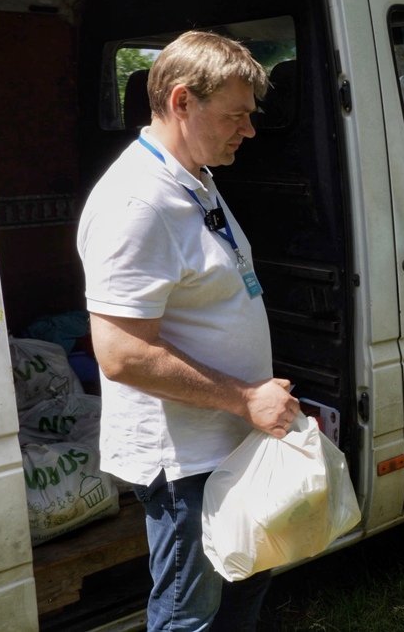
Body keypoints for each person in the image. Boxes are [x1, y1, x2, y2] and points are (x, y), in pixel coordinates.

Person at [77, 31, 302, 631]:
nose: (249, 131)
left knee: (245, 587)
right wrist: (246, 397)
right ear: (182, 101)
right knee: (190, 618)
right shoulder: (138, 203)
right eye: (235, 116)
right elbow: (121, 354)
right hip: (185, 463)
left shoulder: (193, 177)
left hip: (228, 442)